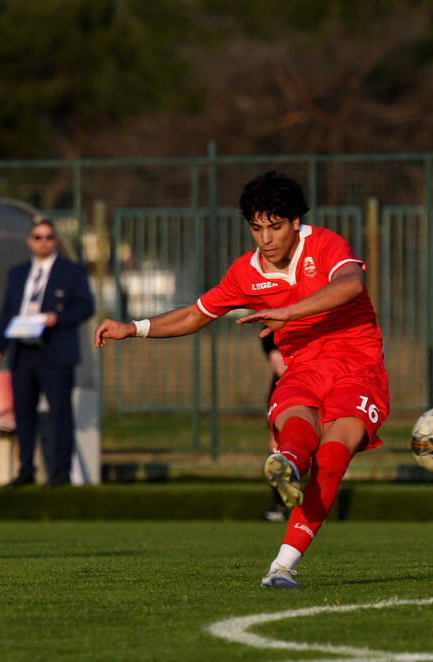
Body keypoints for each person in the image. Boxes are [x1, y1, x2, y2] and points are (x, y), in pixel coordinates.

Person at [94, 171, 389, 589]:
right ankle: (286, 462)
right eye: (257, 227)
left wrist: (288, 312)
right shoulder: (245, 274)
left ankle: (281, 567)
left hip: (358, 366)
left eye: (275, 226)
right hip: (301, 367)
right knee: (295, 422)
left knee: (333, 459)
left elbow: (351, 284)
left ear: (296, 222)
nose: (266, 238)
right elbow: (195, 314)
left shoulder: (324, 244)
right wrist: (134, 327)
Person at [0, 219, 95, 488]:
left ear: (55, 240)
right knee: (23, 413)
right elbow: (7, 313)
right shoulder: (18, 273)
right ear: (30, 241)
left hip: (55, 351)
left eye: (48, 237)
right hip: (23, 352)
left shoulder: (71, 272)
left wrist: (56, 318)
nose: (43, 242)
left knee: (61, 413)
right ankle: (26, 469)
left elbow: (86, 307)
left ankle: (61, 472)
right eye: (38, 237)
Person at [259, 332, 288, 522]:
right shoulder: (269, 330)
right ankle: (280, 506)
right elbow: (281, 367)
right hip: (285, 389)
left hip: (312, 385)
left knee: (314, 446)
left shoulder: (312, 316)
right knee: (276, 448)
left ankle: (314, 506)